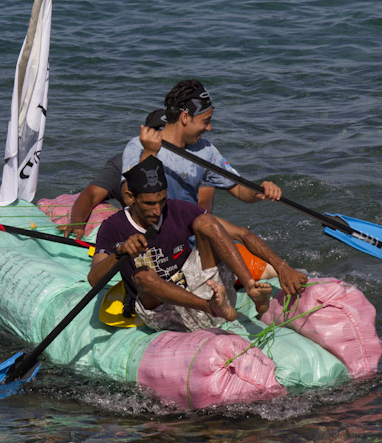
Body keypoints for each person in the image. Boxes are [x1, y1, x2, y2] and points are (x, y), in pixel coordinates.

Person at [90, 156, 274, 332]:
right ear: (130, 198)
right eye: (149, 203)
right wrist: (120, 252)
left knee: (206, 221)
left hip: (200, 287)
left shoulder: (176, 209)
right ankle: (210, 307)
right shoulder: (113, 227)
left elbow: (241, 233)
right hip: (164, 309)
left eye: (161, 201)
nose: (157, 211)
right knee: (142, 276)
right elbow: (94, 279)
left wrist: (282, 267)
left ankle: (252, 291)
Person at [122, 79, 281, 213]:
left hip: (188, 233)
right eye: (206, 121)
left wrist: (260, 191)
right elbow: (129, 198)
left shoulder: (205, 150)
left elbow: (239, 190)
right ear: (185, 117)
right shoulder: (139, 145)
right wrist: (150, 152)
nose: (209, 128)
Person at [60, 110, 167, 239]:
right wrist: (77, 223)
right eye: (155, 135)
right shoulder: (121, 164)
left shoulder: (183, 167)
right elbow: (92, 194)